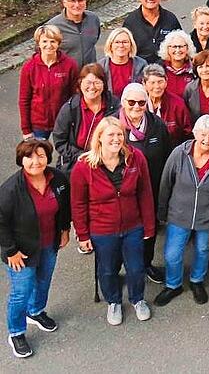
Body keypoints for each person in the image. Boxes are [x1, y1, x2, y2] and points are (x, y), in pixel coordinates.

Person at [70, 117, 155, 325]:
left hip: (133, 226)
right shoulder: (83, 166)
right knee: (107, 270)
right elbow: (78, 204)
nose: (116, 139)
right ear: (99, 137)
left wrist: (149, 226)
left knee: (136, 268)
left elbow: (145, 193)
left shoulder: (136, 158)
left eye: (119, 134)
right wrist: (82, 234)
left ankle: (138, 299)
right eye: (111, 135)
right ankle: (114, 301)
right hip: (102, 230)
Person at [0, 139, 71, 358]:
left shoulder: (58, 178)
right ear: (21, 160)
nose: (35, 161)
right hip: (20, 251)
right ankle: (16, 332)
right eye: (29, 157)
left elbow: (64, 206)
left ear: (47, 158)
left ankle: (36, 311)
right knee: (21, 291)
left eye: (40, 156)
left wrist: (64, 229)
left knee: (43, 280)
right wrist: (10, 251)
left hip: (49, 243)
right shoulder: (10, 190)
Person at [154, 115, 209, 307]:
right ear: (195, 134)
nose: (207, 139)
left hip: (208, 216)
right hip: (179, 214)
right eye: (203, 134)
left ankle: (197, 280)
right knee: (172, 253)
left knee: (203, 250)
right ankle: (173, 284)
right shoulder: (179, 153)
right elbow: (166, 182)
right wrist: (162, 211)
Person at [119, 83, 172, 284]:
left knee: (150, 228)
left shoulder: (157, 124)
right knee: (123, 231)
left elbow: (167, 155)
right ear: (123, 102)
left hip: (152, 188)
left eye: (141, 103)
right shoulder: (113, 125)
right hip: (123, 191)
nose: (136, 106)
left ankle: (146, 263)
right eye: (131, 102)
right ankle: (119, 267)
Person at [53, 64, 120, 178]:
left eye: (97, 82)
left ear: (104, 84)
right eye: (88, 82)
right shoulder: (70, 108)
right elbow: (60, 141)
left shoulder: (114, 105)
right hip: (75, 163)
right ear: (80, 83)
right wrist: (84, 156)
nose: (92, 87)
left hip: (106, 163)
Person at [18, 25, 79, 139]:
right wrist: (26, 129)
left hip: (63, 121)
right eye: (45, 41)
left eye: (53, 41)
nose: (49, 45)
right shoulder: (29, 67)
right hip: (38, 124)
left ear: (58, 43)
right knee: (39, 150)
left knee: (65, 150)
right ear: (38, 43)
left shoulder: (70, 65)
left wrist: (74, 119)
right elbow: (24, 100)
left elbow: (75, 96)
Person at [122, 0, 181, 64]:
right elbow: (123, 48)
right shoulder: (130, 21)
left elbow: (181, 43)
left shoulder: (170, 19)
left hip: (166, 66)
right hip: (139, 67)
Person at [46, 0, 101, 67]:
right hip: (65, 73)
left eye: (80, 1)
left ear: (85, 2)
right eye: (72, 1)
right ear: (64, 3)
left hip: (90, 72)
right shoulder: (52, 27)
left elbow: (94, 40)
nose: (77, 5)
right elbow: (44, 55)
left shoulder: (93, 19)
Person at [143, 64, 193, 146]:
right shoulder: (139, 104)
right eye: (152, 83)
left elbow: (188, 134)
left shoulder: (178, 104)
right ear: (144, 84)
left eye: (160, 82)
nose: (157, 86)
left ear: (166, 82)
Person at [98, 27, 148, 98]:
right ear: (110, 45)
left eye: (125, 42)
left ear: (131, 45)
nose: (121, 45)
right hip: (108, 104)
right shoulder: (101, 66)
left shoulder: (141, 65)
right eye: (117, 42)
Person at [156, 30, 195, 99]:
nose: (178, 50)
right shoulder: (158, 70)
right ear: (167, 49)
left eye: (181, 46)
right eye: (174, 47)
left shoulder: (195, 70)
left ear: (187, 48)